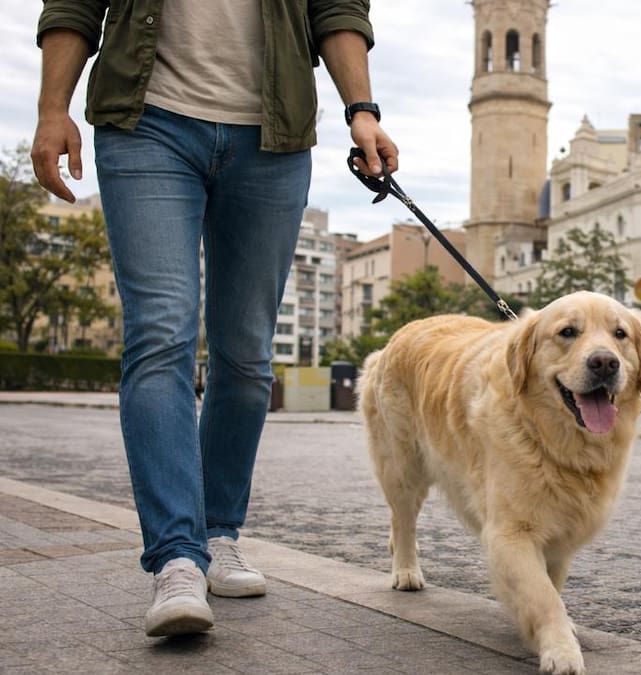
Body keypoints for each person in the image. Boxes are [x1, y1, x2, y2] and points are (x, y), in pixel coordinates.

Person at [31, 1, 397, 637]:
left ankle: (217, 531)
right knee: (160, 335)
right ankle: (176, 556)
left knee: (247, 356)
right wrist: (51, 107)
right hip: (146, 122)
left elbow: (336, 7)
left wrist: (361, 109)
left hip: (273, 137)